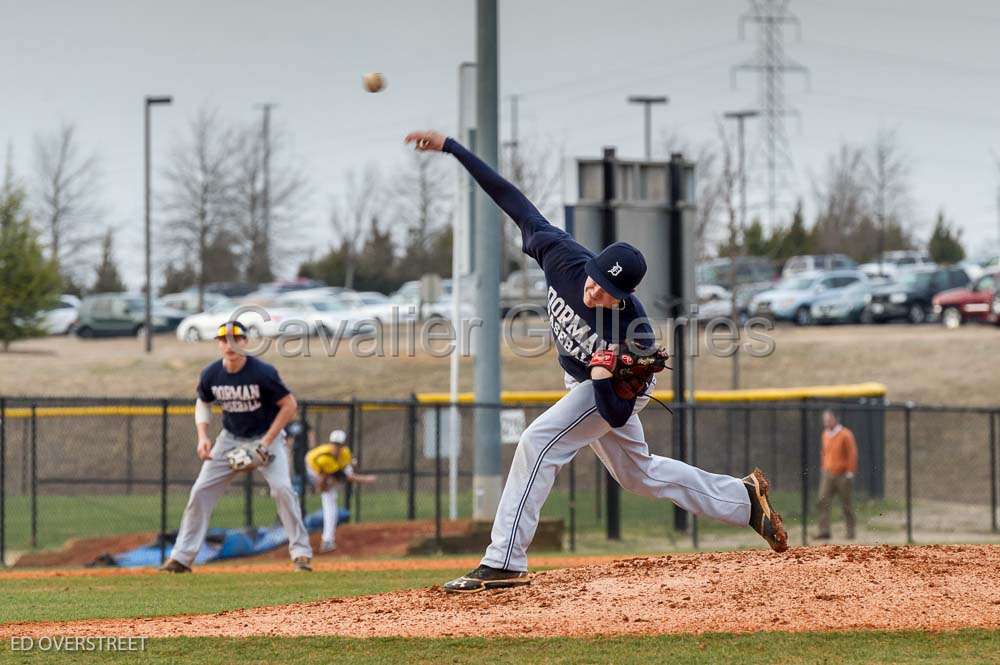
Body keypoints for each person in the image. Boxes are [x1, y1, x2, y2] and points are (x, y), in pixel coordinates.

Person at [404, 130, 789, 593]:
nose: (593, 291)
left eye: (606, 291)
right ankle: (742, 500)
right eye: (594, 281)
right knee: (638, 474)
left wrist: (607, 375)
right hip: (582, 379)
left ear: (624, 295)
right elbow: (510, 197)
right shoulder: (561, 255)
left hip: (617, 390)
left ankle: (504, 559)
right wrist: (452, 146)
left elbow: (615, 412)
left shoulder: (635, 333)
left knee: (538, 442)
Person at [159, 321, 314, 573]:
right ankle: (181, 558)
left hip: (267, 437)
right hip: (230, 438)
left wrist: (265, 443)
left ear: (245, 342)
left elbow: (289, 405)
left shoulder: (262, 373)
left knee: (283, 490)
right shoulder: (212, 374)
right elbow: (203, 402)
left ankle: (301, 554)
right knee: (200, 491)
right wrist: (202, 436)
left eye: (235, 338)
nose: (229, 344)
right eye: (223, 339)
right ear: (218, 344)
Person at [306, 429, 376, 552]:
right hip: (313, 467)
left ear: (343, 446)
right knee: (328, 494)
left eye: (339, 445)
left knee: (330, 496)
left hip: (333, 468)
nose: (336, 447)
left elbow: (346, 470)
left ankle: (327, 540)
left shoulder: (345, 453)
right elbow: (344, 477)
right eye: (334, 444)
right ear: (330, 443)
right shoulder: (324, 458)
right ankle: (327, 541)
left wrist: (349, 467)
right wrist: (365, 479)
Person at [816, 409, 858, 540]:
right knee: (822, 500)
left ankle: (850, 532)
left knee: (846, 504)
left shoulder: (845, 434)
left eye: (828, 419)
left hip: (843, 475)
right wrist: (824, 467)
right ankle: (824, 531)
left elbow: (852, 453)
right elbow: (824, 452)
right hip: (828, 474)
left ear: (835, 419)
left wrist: (850, 472)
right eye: (825, 420)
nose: (826, 422)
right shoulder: (825, 434)